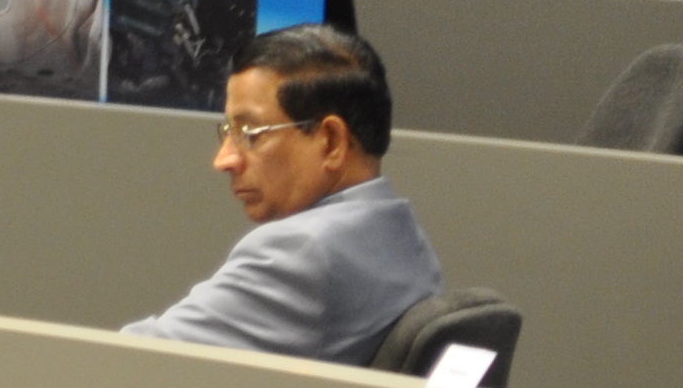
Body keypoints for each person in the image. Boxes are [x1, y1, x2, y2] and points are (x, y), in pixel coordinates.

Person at [118, 26, 441, 362]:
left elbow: (132, 360)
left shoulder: (301, 252)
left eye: (249, 132)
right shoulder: (404, 234)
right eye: (228, 131)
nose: (223, 160)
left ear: (331, 142)